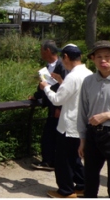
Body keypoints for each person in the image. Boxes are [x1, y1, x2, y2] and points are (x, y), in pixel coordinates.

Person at [38, 44, 92, 198]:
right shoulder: (88, 73)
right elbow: (75, 93)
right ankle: (82, 185)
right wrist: (62, 82)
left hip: (69, 124)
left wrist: (46, 87)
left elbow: (57, 100)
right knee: (74, 158)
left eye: (63, 57)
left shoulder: (73, 76)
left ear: (66, 57)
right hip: (81, 123)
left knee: (63, 160)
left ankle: (66, 191)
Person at [77, 40, 110, 198]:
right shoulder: (88, 81)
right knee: (90, 183)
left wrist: (109, 115)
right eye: (98, 56)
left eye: (107, 56)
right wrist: (82, 139)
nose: (103, 60)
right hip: (92, 135)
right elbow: (82, 112)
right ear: (92, 59)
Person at [29, 40, 67, 171]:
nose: (41, 53)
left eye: (41, 50)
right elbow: (45, 85)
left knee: (50, 135)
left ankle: (49, 161)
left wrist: (59, 108)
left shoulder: (62, 66)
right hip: (50, 105)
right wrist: (36, 95)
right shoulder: (48, 66)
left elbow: (64, 87)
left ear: (48, 51)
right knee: (51, 134)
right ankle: (51, 161)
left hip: (57, 106)